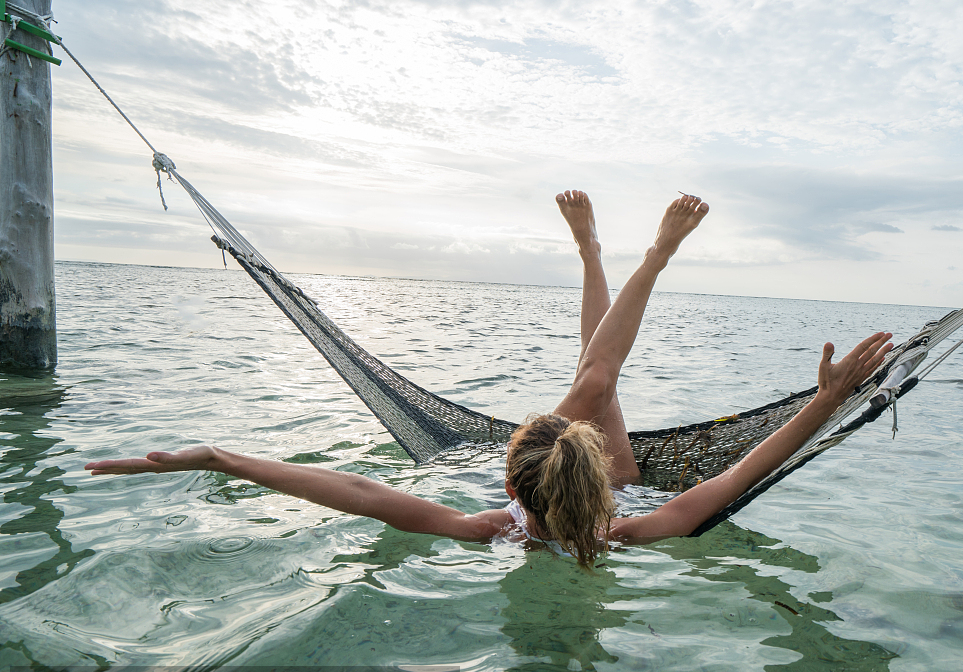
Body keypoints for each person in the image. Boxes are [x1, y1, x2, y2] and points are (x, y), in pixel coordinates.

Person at [87, 192, 892, 567]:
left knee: (596, 386)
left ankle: (606, 257)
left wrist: (225, 460)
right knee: (596, 385)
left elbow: (355, 493)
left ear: (514, 485)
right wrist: (823, 400)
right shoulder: (632, 527)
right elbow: (748, 468)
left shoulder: (498, 531)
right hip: (612, 488)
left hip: (589, 488)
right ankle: (626, 258)